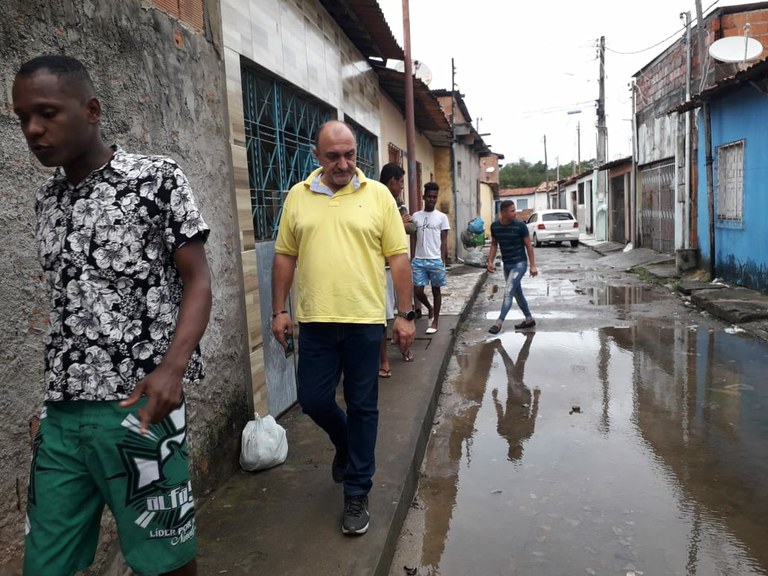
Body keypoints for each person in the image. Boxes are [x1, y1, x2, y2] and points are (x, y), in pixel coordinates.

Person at [12, 55, 211, 576]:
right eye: (23, 117)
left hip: (139, 409)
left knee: (165, 561)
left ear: (92, 109)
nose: (34, 129)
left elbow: (198, 281)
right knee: (46, 563)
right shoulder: (46, 201)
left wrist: (172, 368)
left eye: (47, 113)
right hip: (61, 417)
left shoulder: (157, 180)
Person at [271, 121, 416, 536]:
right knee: (313, 400)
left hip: (365, 321)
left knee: (363, 406)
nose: (343, 163)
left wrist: (405, 315)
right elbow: (284, 256)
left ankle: (357, 491)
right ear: (317, 156)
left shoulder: (379, 197)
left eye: (350, 154)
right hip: (315, 321)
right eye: (333, 155)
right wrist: (279, 310)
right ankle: (346, 444)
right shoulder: (298, 197)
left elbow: (399, 259)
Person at [378, 162, 417, 375]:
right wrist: (397, 222)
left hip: (398, 264)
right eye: (401, 182)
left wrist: (396, 223)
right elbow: (379, 227)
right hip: (381, 267)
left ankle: (405, 349)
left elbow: (412, 226)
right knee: (383, 318)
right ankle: (384, 361)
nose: (402, 187)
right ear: (392, 181)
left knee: (404, 311)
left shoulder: (398, 202)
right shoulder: (374, 198)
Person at [487, 200, 538, 334]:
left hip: (519, 264)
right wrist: (490, 261)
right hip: (507, 265)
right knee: (517, 293)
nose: (515, 213)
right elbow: (493, 245)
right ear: (503, 213)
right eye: (512, 211)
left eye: (515, 210)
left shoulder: (520, 226)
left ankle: (499, 323)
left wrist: (532, 266)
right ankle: (529, 319)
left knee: (508, 292)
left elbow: (529, 246)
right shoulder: (495, 227)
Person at [411, 182, 450, 334]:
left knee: (436, 290)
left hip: (435, 260)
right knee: (418, 291)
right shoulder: (416, 216)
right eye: (429, 196)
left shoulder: (441, 217)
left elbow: (444, 239)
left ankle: (435, 321)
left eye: (434, 197)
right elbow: (413, 237)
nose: (431, 200)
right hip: (419, 260)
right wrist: (413, 256)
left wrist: (442, 259)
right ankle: (429, 307)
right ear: (424, 197)